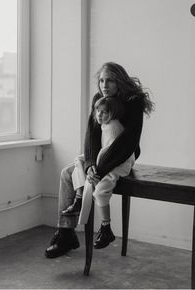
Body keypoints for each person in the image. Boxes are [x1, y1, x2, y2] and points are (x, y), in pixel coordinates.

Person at [45, 62, 154, 258]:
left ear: (119, 81)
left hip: (120, 158)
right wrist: (90, 167)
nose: (104, 85)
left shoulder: (133, 101)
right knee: (66, 174)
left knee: (87, 179)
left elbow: (128, 142)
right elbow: (91, 136)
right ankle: (66, 233)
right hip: (100, 157)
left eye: (110, 80)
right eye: (102, 80)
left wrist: (100, 170)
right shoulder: (99, 99)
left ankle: (91, 226)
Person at [62, 96, 135, 249]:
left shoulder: (113, 127)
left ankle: (106, 227)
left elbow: (110, 152)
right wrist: (91, 165)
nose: (100, 115)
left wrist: (96, 170)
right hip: (105, 160)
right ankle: (79, 196)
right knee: (79, 160)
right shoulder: (103, 124)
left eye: (105, 112)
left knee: (100, 191)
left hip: (118, 163)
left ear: (113, 113)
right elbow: (98, 150)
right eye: (98, 111)